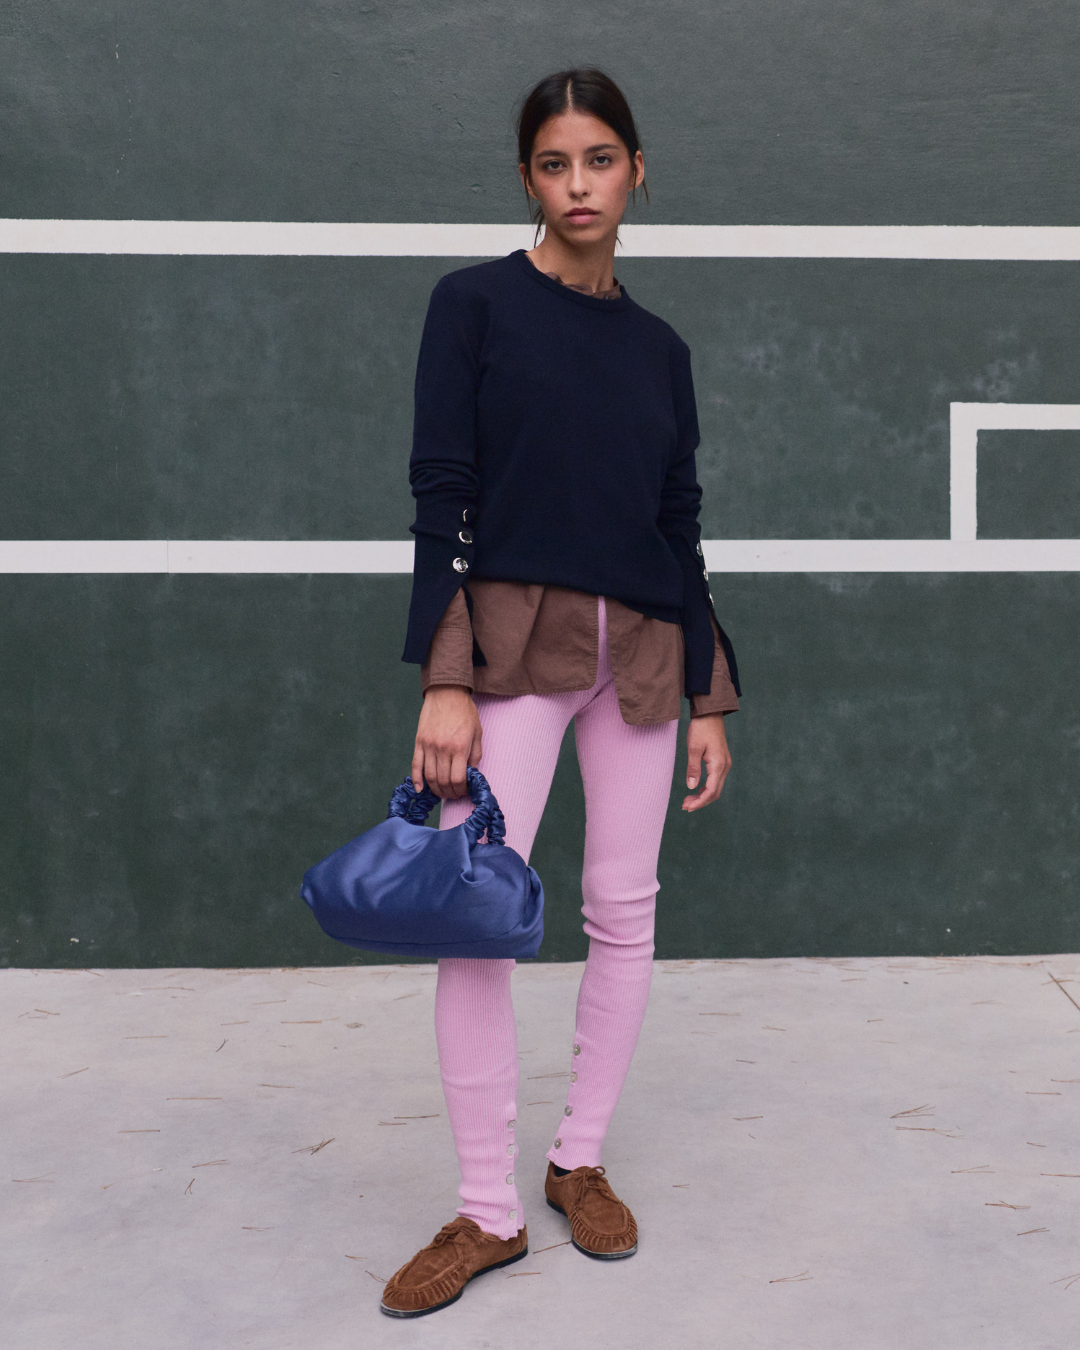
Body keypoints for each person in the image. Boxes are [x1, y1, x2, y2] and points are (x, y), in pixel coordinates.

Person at [379, 67, 741, 1319]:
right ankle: (487, 1211)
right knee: (477, 916)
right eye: (553, 163)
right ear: (527, 178)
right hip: (509, 648)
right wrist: (445, 676)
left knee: (623, 912)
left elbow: (679, 524)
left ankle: (576, 1158)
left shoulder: (661, 351)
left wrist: (708, 691)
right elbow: (442, 495)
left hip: (640, 653)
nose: (578, 185)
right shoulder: (473, 306)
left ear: (638, 170)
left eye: (599, 159)